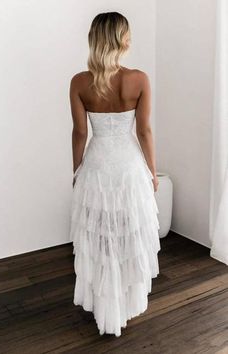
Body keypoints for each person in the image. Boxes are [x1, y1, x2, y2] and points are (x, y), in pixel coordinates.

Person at [69, 11, 161, 337]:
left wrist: (77, 170)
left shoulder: (80, 82)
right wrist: (152, 173)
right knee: (126, 234)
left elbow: (80, 133)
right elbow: (145, 131)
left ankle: (106, 304)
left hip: (96, 167)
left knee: (100, 237)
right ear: (121, 39)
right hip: (129, 168)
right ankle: (122, 301)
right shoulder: (139, 79)